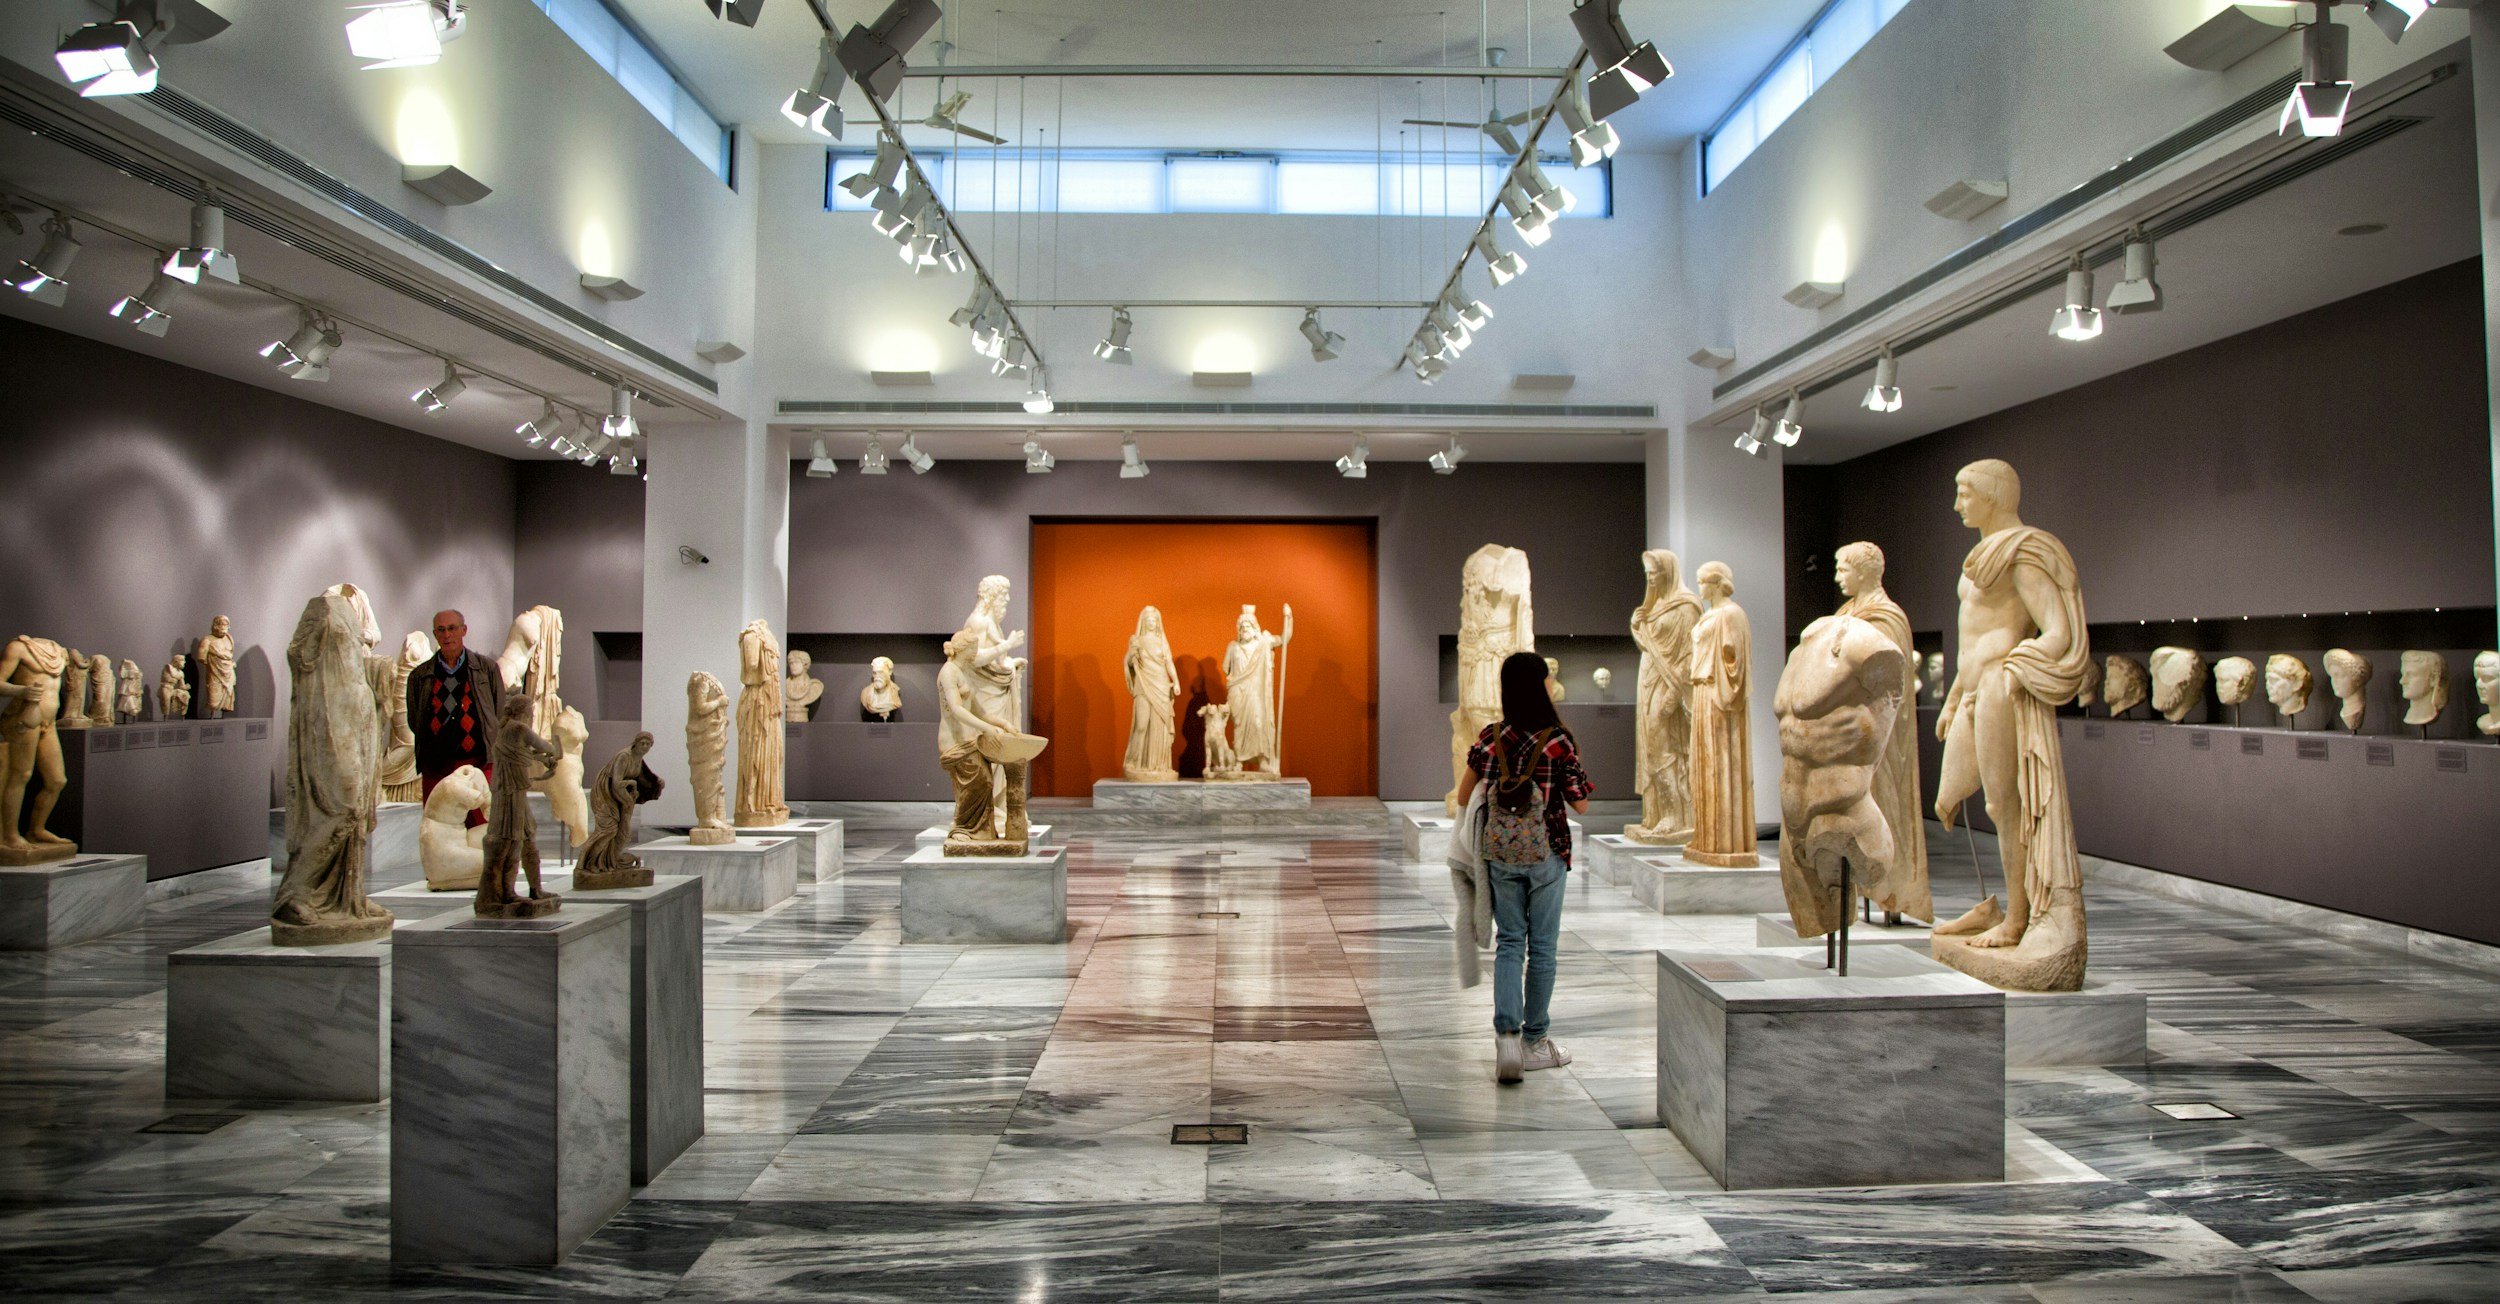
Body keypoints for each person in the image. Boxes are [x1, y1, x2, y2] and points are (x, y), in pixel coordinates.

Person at [1455, 650, 1594, 1084]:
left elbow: (1462, 796)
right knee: (1544, 948)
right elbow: (1582, 804)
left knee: (1510, 943)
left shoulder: (1490, 737)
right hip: (1547, 853)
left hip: (1500, 854)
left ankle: (1507, 1038)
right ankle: (1536, 1042)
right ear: (1540, 686)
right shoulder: (1558, 741)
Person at [406, 609, 506, 828]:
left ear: (464, 630)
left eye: (452, 628)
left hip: (477, 762)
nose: (447, 635)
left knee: (481, 826)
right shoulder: (420, 676)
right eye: (441, 630)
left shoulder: (486, 670)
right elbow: (415, 720)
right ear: (434, 634)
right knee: (437, 829)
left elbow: (498, 713)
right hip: (436, 765)